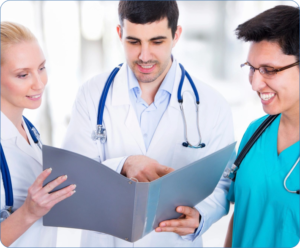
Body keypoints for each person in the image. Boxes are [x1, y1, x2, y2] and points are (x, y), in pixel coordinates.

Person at [63, 1, 235, 247]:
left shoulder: (212, 104)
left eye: (156, 42)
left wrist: (200, 217)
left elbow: (222, 182)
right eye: (134, 42)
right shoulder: (92, 94)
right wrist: (124, 165)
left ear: (176, 35)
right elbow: (71, 177)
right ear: (120, 34)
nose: (144, 56)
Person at [224, 5, 299, 247]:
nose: (255, 84)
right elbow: (242, 215)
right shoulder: (255, 133)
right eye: (252, 69)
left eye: (269, 70)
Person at [0, 22, 76, 247]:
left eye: (41, 68)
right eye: (23, 75)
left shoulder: (29, 130)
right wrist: (28, 213)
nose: (39, 83)